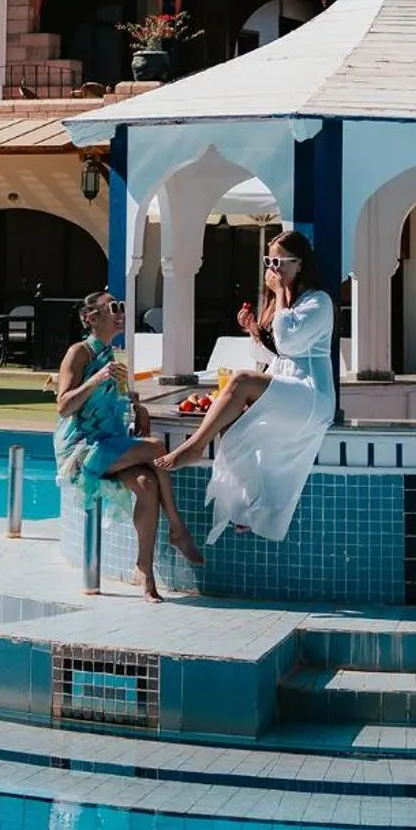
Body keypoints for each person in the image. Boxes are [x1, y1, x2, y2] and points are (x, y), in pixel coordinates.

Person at [157, 230, 335, 545]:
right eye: (269, 261)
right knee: (231, 423)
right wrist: (255, 331)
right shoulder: (291, 304)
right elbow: (278, 354)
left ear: (300, 264)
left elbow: (290, 341)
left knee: (240, 380)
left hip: (311, 395)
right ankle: (248, 508)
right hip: (291, 386)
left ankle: (195, 447)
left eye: (279, 262)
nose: (272, 269)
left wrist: (279, 295)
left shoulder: (318, 302)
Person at [53, 289, 203, 601]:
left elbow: (110, 404)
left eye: (122, 306)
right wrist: (96, 379)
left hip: (110, 444)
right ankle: (178, 529)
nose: (121, 312)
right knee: (158, 449)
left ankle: (145, 573)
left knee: (147, 484)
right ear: (92, 318)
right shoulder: (79, 353)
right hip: (81, 449)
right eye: (114, 308)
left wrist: (135, 404)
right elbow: (64, 406)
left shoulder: (112, 354)